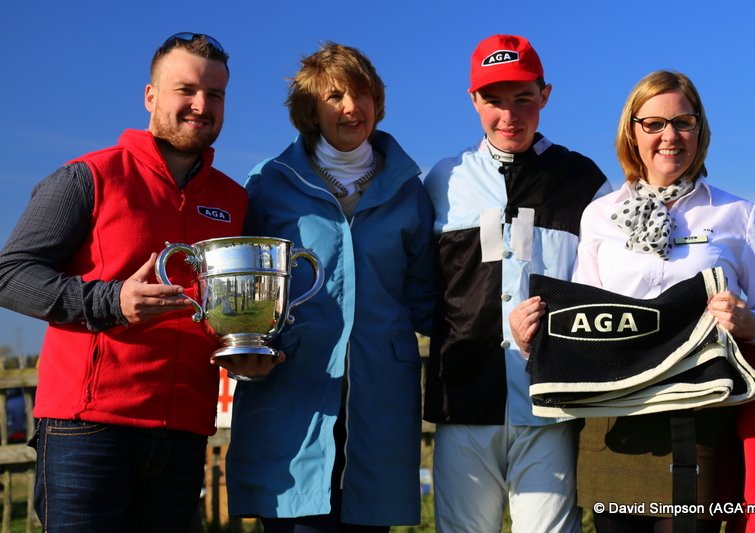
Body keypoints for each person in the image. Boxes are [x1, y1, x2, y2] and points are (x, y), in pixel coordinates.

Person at [0, 33, 279, 532]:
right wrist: (110, 300)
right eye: (186, 90)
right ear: (150, 96)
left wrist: (246, 343)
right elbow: (10, 275)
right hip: (86, 430)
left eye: (215, 94)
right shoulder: (89, 176)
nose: (201, 105)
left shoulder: (235, 201)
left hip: (184, 434)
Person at [511, 70, 755, 532]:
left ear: (700, 130)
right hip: (615, 419)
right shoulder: (599, 214)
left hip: (700, 412)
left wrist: (753, 322)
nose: (670, 136)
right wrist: (533, 339)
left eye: (683, 122)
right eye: (654, 124)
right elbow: (584, 320)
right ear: (633, 131)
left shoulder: (736, 213)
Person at [224, 42, 437, 532]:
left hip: (381, 395)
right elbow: (245, 295)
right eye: (335, 95)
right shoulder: (268, 184)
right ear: (310, 110)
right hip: (294, 390)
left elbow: (425, 298)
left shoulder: (409, 189)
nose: (351, 107)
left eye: (361, 94)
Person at [423, 34, 611, 533]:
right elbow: (421, 287)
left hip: (550, 401)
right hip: (463, 398)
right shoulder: (443, 179)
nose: (509, 115)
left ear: (545, 95)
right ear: (473, 100)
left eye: (523, 98)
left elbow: (606, 287)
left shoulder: (585, 181)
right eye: (494, 100)